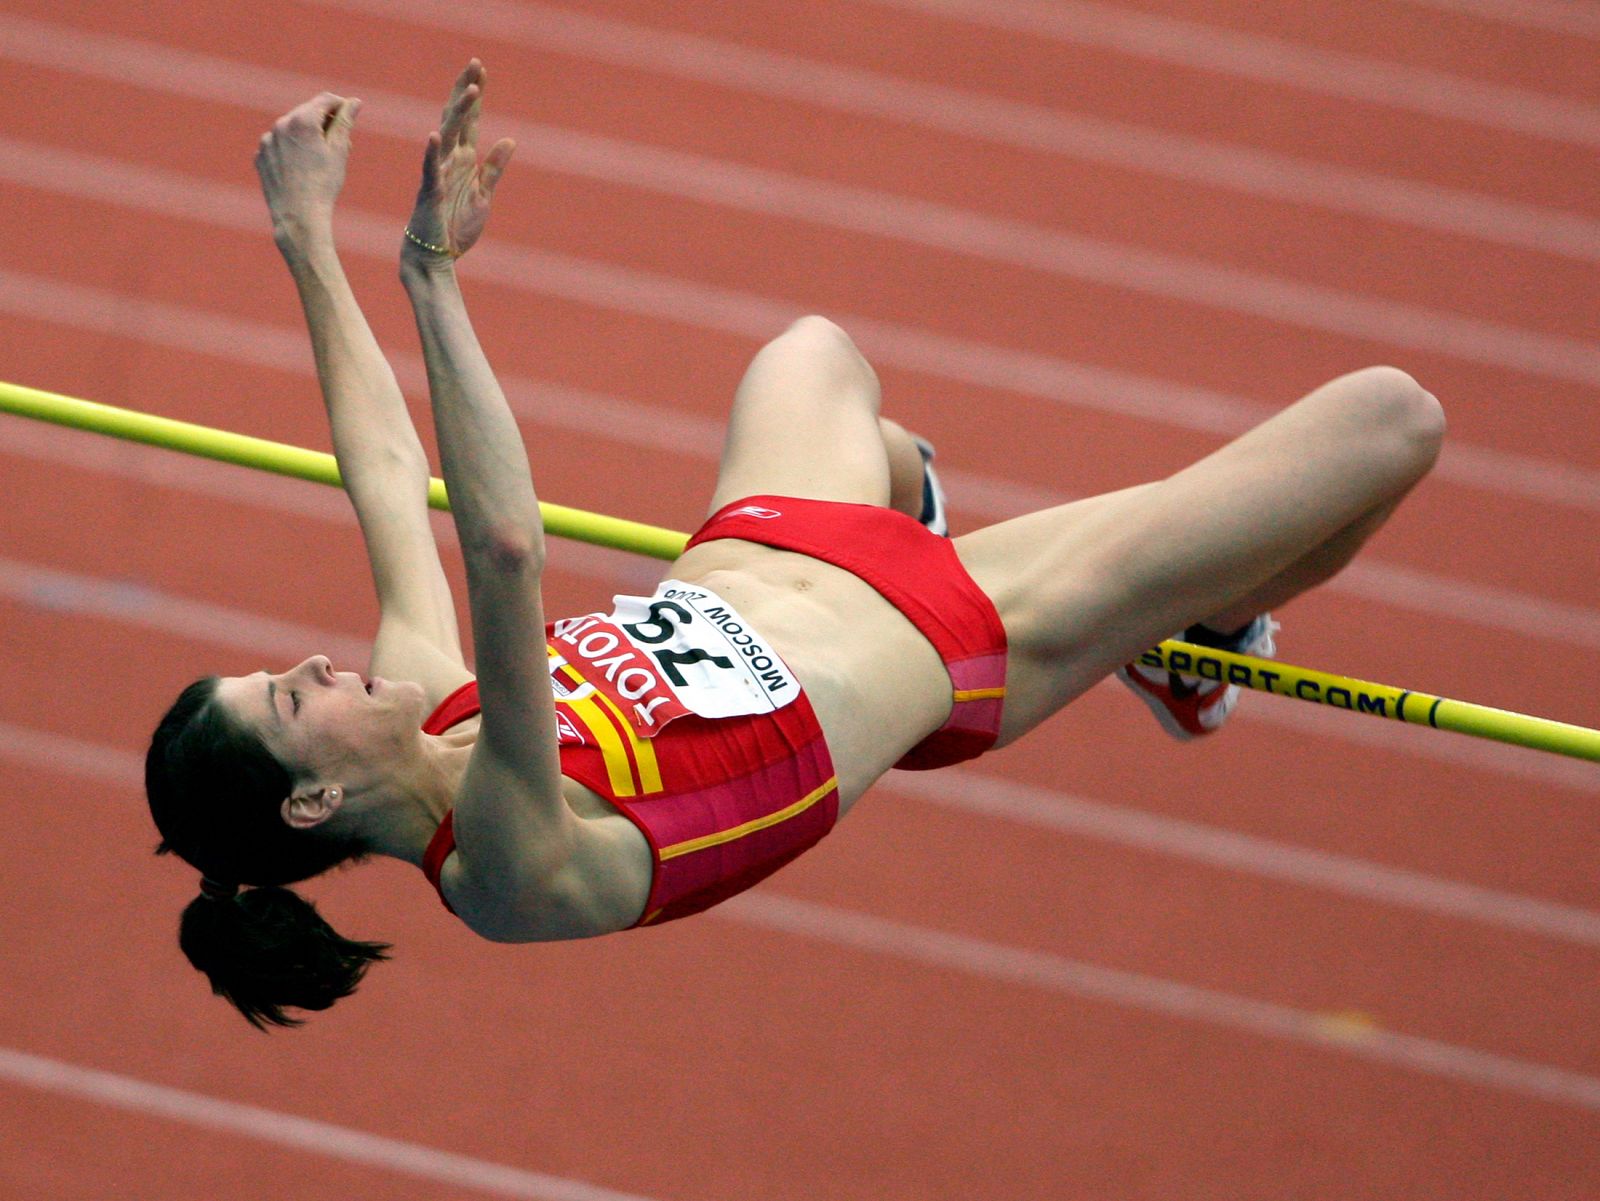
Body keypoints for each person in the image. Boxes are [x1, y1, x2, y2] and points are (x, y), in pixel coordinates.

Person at [145, 63, 1445, 1030]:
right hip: (954, 631)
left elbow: (385, 470)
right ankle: (1194, 643)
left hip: (769, 550)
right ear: (311, 800)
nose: (313, 663)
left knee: (813, 353)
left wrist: (306, 237)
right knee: (1389, 424)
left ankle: (961, 519)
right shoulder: (500, 862)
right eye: (286, 697)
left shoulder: (430, 706)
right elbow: (497, 542)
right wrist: (430, 271)